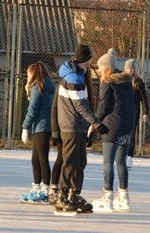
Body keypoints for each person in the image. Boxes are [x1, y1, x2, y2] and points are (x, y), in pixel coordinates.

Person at [53, 44, 104, 215]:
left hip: (78, 126)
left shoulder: (78, 75)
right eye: (89, 60)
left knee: (80, 160)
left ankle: (74, 194)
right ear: (84, 60)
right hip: (71, 126)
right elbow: (80, 106)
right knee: (71, 161)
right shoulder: (74, 78)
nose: (91, 63)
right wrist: (96, 123)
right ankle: (63, 195)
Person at [92, 49, 135, 213]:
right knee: (121, 162)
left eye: (100, 68)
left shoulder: (107, 82)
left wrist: (94, 122)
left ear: (105, 68)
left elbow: (103, 106)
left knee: (108, 162)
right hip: (127, 126)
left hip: (112, 127)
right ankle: (124, 198)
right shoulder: (127, 82)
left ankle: (107, 197)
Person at [19, 61, 55, 203]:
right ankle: (37, 187)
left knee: (41, 159)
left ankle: (45, 189)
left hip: (42, 127)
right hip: (44, 127)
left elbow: (32, 109)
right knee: (36, 159)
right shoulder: (47, 86)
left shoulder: (37, 87)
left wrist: (25, 127)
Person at [124, 58, 149, 169]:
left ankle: (129, 157)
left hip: (133, 112)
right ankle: (121, 156)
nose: (130, 70)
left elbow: (143, 98)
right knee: (122, 135)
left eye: (132, 68)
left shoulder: (138, 82)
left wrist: (145, 112)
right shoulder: (122, 81)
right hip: (122, 112)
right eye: (128, 68)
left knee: (131, 135)